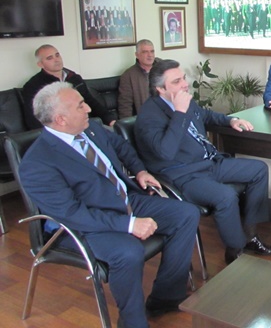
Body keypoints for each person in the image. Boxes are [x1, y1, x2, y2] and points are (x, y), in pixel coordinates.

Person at [19, 82, 200, 328]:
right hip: (80, 226)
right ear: (61, 119)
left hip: (123, 200)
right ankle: (132, 323)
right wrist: (129, 224)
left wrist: (140, 170)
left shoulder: (91, 129)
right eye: (80, 106)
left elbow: (122, 147)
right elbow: (72, 213)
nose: (88, 109)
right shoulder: (37, 163)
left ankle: (165, 297)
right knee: (128, 252)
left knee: (186, 214)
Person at [134, 59, 271, 264]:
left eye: (183, 78)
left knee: (258, 169)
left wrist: (231, 120)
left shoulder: (184, 100)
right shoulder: (148, 116)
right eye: (176, 81)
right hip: (182, 175)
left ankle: (250, 236)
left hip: (208, 163)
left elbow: (206, 115)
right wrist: (179, 113)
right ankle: (235, 250)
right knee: (225, 196)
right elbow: (165, 152)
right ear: (160, 89)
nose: (184, 84)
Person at [22, 44, 117, 129]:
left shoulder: (74, 78)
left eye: (57, 55)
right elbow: (33, 119)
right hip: (60, 130)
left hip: (85, 125)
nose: (56, 60)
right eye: (50, 58)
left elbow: (90, 101)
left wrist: (109, 119)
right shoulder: (33, 86)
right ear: (40, 64)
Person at [118, 40, 160, 118]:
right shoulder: (128, 76)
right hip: (147, 118)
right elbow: (125, 105)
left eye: (152, 51)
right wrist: (127, 123)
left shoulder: (162, 67)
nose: (150, 55)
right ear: (137, 55)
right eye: (145, 52)